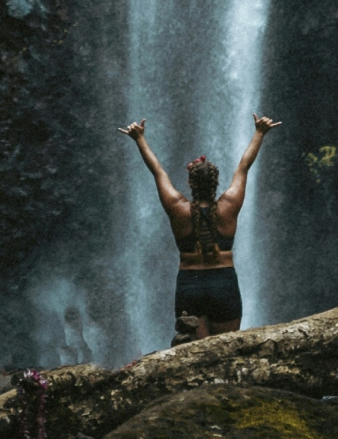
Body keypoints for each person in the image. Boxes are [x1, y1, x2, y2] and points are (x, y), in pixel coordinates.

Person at [117, 113, 282, 342]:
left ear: (190, 184)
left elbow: (158, 172)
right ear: (215, 182)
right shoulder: (229, 206)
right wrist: (260, 133)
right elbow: (243, 167)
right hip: (223, 284)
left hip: (189, 286)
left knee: (194, 355)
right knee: (227, 350)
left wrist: (140, 139)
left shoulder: (177, 208)